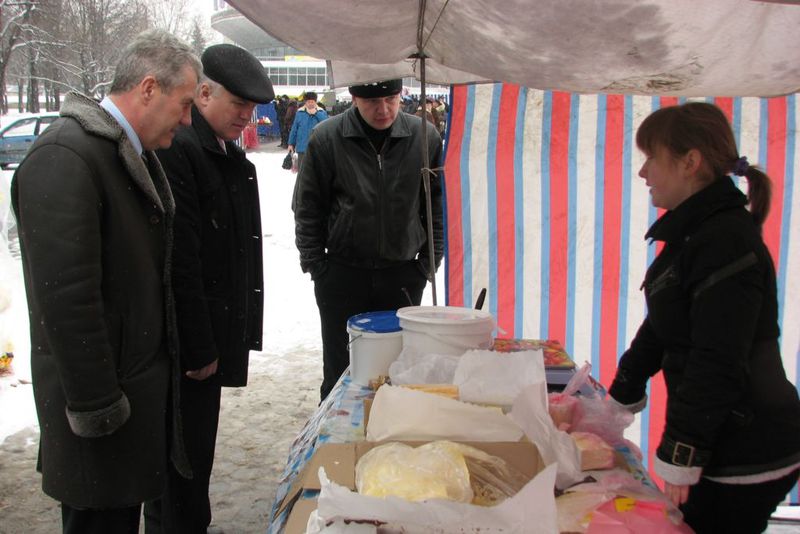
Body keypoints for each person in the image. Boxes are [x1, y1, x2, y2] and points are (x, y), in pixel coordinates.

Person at [10, 30, 200, 534]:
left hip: (129, 400)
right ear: (148, 88)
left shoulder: (119, 152)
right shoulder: (66, 157)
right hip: (98, 415)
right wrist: (99, 409)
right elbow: (66, 300)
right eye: (183, 105)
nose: (187, 120)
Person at [607, 102, 800, 534]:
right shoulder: (696, 231)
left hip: (747, 448)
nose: (643, 174)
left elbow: (717, 357)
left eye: (650, 159)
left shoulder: (724, 241)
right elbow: (663, 321)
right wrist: (620, 397)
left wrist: (682, 452)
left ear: (690, 162)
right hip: (729, 436)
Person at [144, 44, 274, 533]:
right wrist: (200, 347)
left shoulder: (218, 150)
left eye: (252, 106)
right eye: (238, 103)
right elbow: (183, 261)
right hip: (187, 348)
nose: (248, 115)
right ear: (202, 93)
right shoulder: (183, 151)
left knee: (194, 462)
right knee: (181, 469)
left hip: (209, 337)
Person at [293, 79, 444, 400]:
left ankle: (391, 435)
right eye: (372, 101)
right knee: (340, 367)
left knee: (398, 367)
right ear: (354, 97)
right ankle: (335, 440)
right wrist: (316, 265)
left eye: (391, 99)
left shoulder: (424, 137)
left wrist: (429, 262)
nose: (384, 109)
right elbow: (307, 208)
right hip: (342, 274)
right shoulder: (327, 138)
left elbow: (436, 205)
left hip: (404, 273)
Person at [288, 91, 328, 171]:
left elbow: (326, 124)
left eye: (312, 102)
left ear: (315, 102)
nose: (310, 103)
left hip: (317, 147)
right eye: (308, 102)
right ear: (305, 102)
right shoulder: (299, 113)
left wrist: (316, 113)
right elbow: (294, 129)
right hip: (302, 147)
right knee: (302, 171)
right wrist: (290, 143)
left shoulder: (321, 112)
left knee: (316, 170)